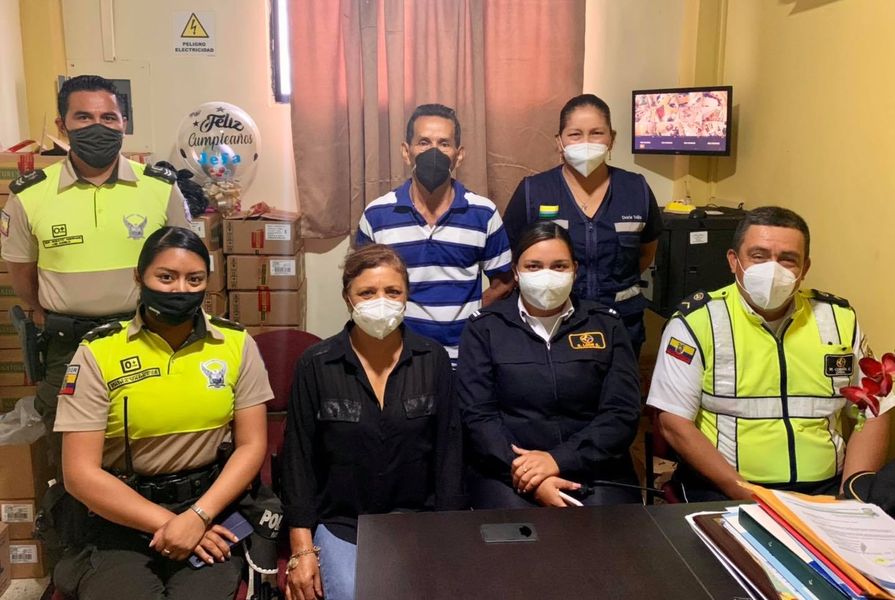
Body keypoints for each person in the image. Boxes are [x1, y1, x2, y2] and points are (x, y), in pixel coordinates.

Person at [52, 226, 273, 599]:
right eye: (166, 277)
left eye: (194, 279)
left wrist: (198, 517)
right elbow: (79, 473)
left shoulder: (236, 343)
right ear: (139, 277)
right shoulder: (98, 351)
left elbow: (251, 446)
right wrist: (174, 524)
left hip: (208, 507)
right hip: (119, 516)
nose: (180, 290)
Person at [1, 75, 191, 476]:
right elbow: (22, 273)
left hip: (146, 338)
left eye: (109, 117)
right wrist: (44, 310)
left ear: (123, 123)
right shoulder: (30, 194)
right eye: (83, 117)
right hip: (67, 347)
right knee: (71, 461)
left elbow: (186, 265)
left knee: (151, 448)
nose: (98, 127)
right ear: (62, 125)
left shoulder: (159, 188)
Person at [646, 206, 890, 501]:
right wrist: (748, 494)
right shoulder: (696, 321)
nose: (773, 270)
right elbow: (674, 423)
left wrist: (852, 494)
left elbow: (873, 409)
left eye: (788, 259)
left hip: (825, 491)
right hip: (727, 490)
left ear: (805, 268)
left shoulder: (839, 319)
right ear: (733, 261)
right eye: (758, 256)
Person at [282, 244, 463, 600]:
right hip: (343, 524)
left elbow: (449, 454)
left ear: (406, 296)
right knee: (353, 593)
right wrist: (301, 549)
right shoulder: (315, 364)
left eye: (392, 291)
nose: (381, 301)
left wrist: (449, 537)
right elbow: (298, 461)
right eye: (367, 292)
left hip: (417, 521)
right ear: (347, 299)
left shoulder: (433, 359)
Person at [457, 221, 642, 509]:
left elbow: (622, 412)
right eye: (533, 266)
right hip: (508, 470)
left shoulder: (606, 325)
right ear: (516, 272)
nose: (546, 275)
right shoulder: (485, 329)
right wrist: (530, 473)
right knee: (514, 534)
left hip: (596, 467)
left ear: (574, 270)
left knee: (610, 533)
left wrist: (558, 460)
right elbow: (478, 416)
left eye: (559, 266)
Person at [502, 94, 663, 356]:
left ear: (611, 138)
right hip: (552, 324)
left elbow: (645, 254)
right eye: (575, 134)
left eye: (596, 133)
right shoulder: (534, 191)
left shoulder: (636, 190)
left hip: (620, 323)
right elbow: (512, 255)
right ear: (559, 141)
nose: (586, 143)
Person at [356, 103, 514, 365]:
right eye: (424, 142)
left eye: (444, 144)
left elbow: (504, 283)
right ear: (406, 152)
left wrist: (472, 317)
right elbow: (362, 286)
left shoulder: (484, 213)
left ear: (458, 155)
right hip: (397, 359)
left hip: (464, 359)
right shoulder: (376, 215)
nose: (433, 152)